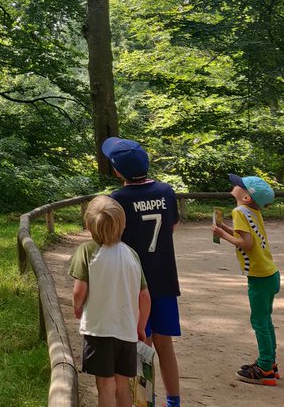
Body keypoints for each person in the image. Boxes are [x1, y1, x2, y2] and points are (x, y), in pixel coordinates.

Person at [102, 137, 183, 407]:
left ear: (117, 170)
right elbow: (170, 229)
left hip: (135, 285)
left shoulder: (117, 200)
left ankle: (144, 401)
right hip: (164, 278)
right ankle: (174, 402)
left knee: (141, 343)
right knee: (165, 344)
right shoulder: (166, 191)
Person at [70, 195, 151, 407]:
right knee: (123, 386)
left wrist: (77, 307)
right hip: (127, 330)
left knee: (105, 386)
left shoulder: (86, 251)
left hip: (100, 330)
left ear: (88, 224)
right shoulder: (132, 255)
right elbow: (144, 297)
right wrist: (140, 327)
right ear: (123, 225)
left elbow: (79, 291)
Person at [211, 174, 280, 386]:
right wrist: (226, 229)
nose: (235, 185)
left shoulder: (239, 211)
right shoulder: (252, 211)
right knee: (265, 320)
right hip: (270, 274)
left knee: (259, 322)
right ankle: (270, 363)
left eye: (240, 185)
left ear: (247, 197)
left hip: (259, 276)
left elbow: (246, 243)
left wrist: (223, 236)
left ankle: (265, 368)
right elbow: (248, 236)